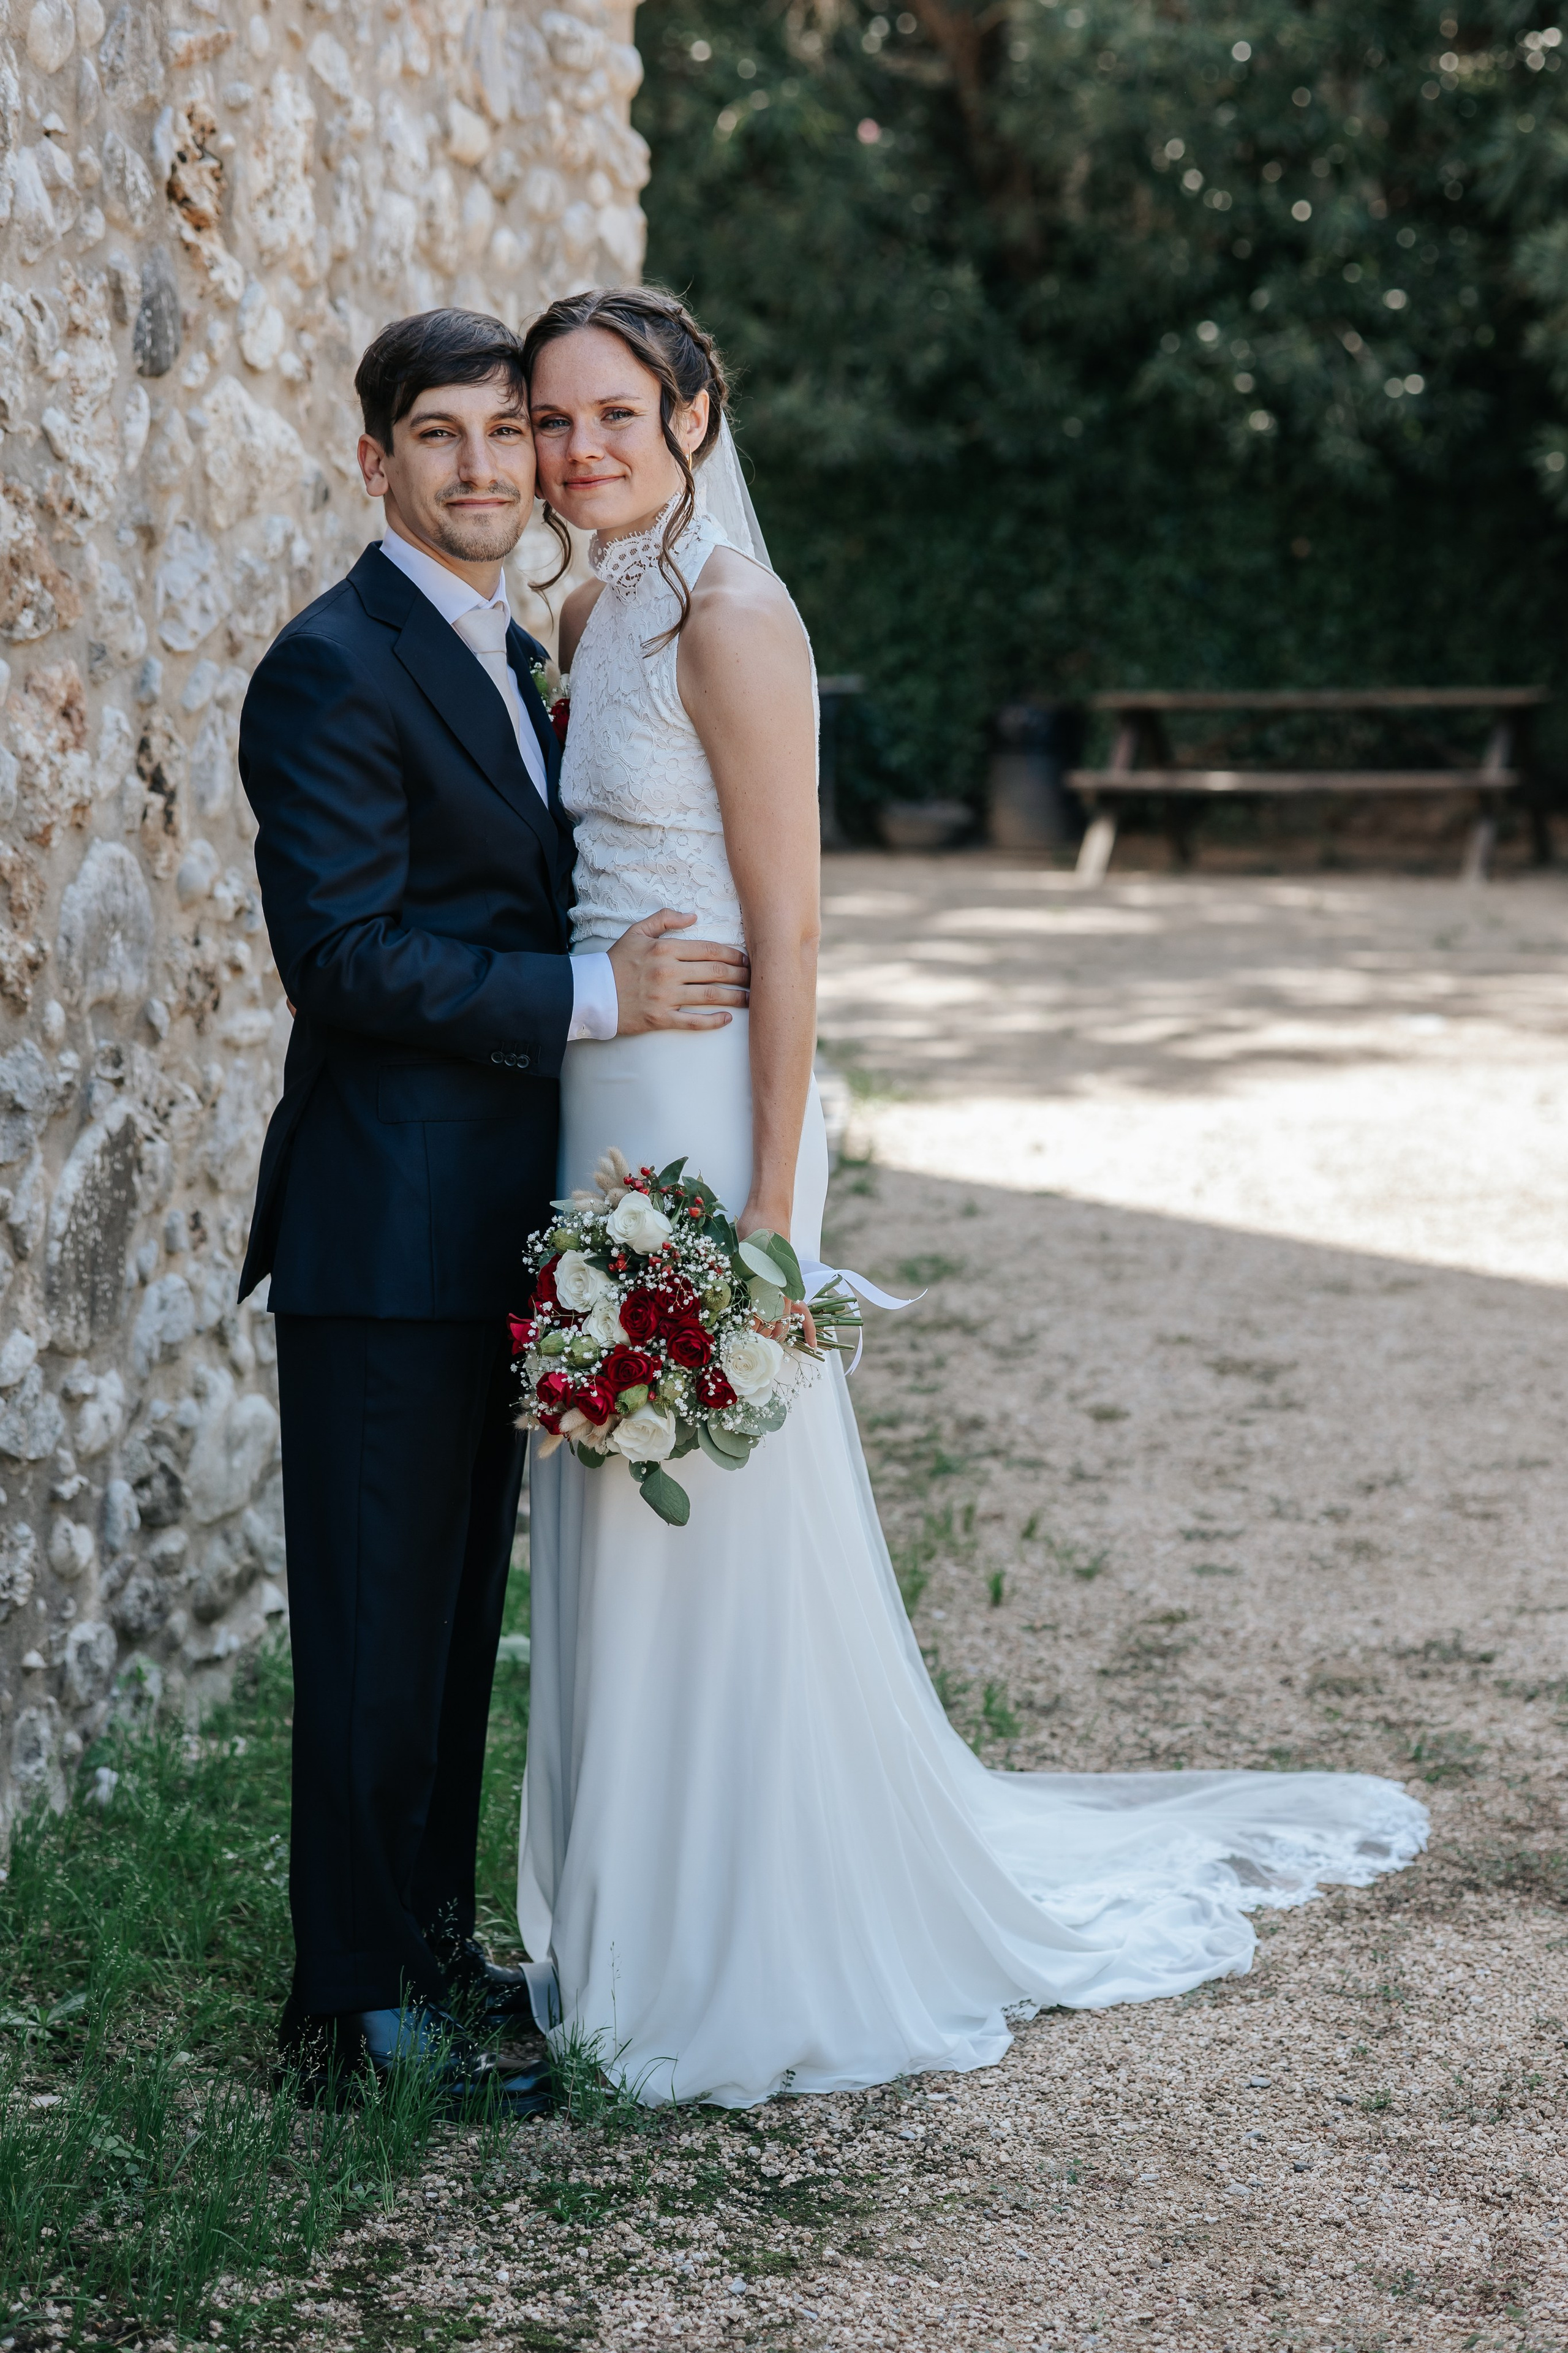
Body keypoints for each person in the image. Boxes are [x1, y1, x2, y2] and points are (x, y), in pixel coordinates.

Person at [516, 286, 1430, 2108]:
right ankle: (617, 1921)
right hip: (596, 1088)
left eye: (613, 413)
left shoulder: (734, 613)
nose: (574, 451)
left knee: (713, 1516)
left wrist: (767, 1224)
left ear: (697, 414)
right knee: (609, 1511)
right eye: (550, 419)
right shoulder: (589, 600)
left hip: (705, 1121)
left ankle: (745, 1933)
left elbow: (795, 929)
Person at [236, 308, 750, 2111]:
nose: (481, 466)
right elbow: (348, 956)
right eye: (437, 435)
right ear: (372, 458)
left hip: (489, 1225)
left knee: (454, 1616)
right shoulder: (333, 661)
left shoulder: (509, 647)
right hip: (383, 1229)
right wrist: (603, 997)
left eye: (503, 431)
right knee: (376, 1623)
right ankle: (351, 2013)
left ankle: (437, 1953)